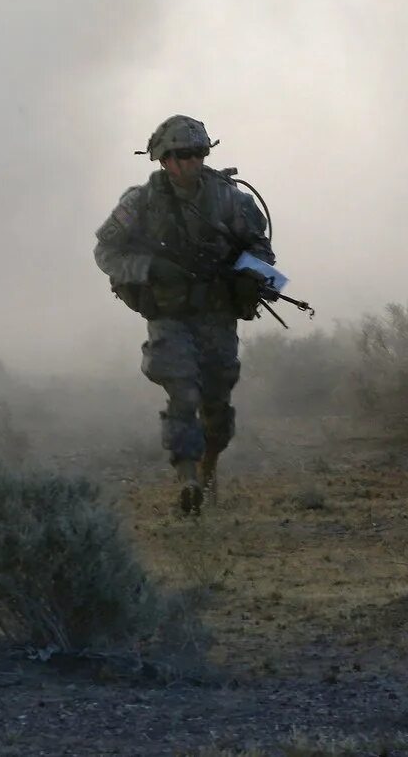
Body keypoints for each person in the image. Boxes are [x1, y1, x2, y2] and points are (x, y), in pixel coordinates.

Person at [94, 115, 275, 516]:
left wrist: (250, 276)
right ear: (163, 159)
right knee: (181, 391)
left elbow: (261, 250)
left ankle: (209, 467)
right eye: (181, 155)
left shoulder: (229, 199)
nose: (190, 162)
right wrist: (149, 268)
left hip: (216, 313)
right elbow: (106, 252)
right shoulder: (140, 202)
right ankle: (187, 477)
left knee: (216, 400)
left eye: (197, 154)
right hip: (170, 313)